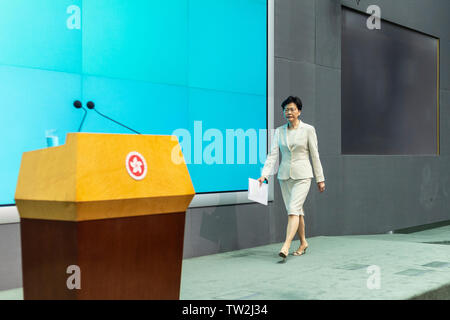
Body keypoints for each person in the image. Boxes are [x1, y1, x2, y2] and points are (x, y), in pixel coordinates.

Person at [257, 96, 325, 260]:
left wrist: (320, 178)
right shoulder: (279, 131)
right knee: (296, 211)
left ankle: (286, 245)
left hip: (303, 176)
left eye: (292, 109)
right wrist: (264, 174)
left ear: (299, 111)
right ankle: (303, 242)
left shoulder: (308, 129)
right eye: (286, 109)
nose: (289, 112)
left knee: (293, 209)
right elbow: (273, 155)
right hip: (284, 176)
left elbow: (315, 155)